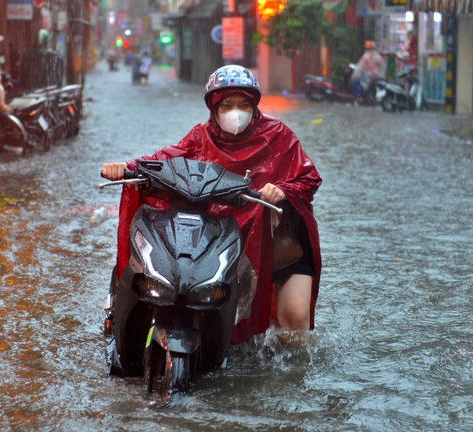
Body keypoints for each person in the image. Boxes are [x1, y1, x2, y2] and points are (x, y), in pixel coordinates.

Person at [101, 65, 322, 344]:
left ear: (255, 107)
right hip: (225, 237)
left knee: (294, 322)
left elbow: (309, 177)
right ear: (214, 108)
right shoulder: (200, 138)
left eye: (244, 104)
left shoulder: (278, 135)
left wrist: (283, 189)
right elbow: (165, 161)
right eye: (227, 104)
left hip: (279, 241)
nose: (236, 113)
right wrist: (126, 168)